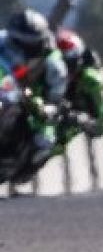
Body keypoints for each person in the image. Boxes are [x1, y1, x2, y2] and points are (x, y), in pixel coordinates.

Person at [0, 9, 69, 183]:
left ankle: (23, 170)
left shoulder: (52, 62)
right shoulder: (3, 41)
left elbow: (56, 97)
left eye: (26, 44)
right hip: (5, 89)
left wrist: (48, 108)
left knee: (45, 141)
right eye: (17, 41)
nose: (18, 47)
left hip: (34, 99)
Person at [52, 29, 103, 152]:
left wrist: (81, 119)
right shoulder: (49, 68)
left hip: (66, 121)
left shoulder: (88, 78)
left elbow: (101, 123)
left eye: (67, 64)